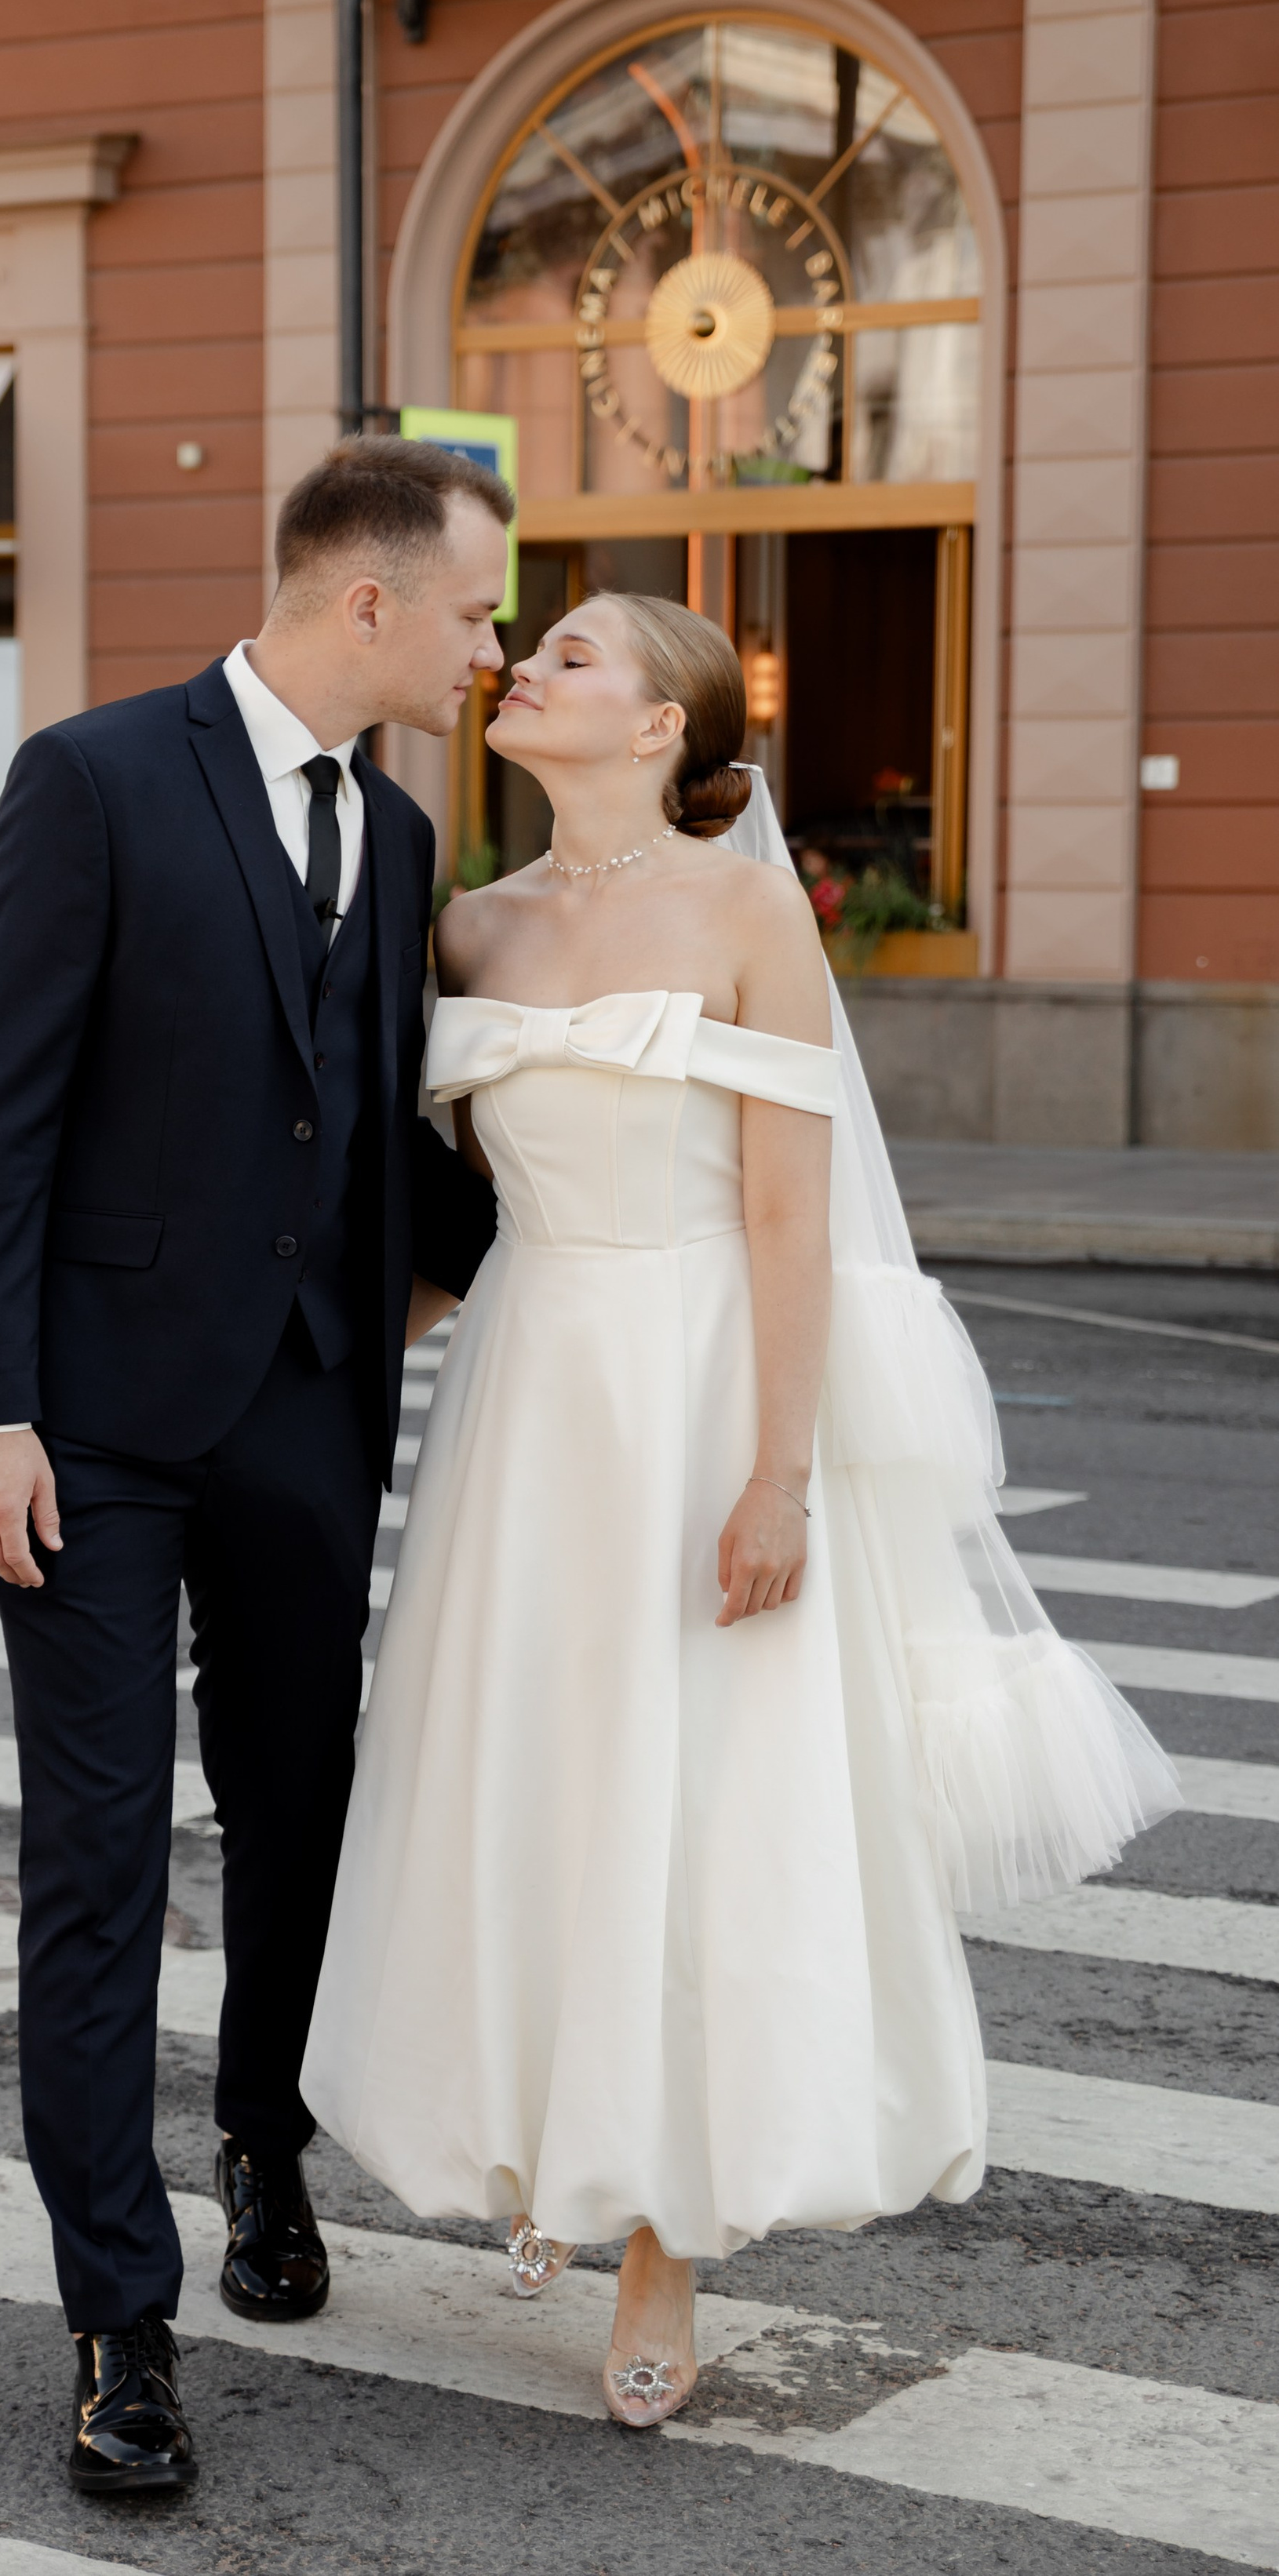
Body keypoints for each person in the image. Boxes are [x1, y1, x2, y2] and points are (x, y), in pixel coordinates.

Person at [303, 590, 1181, 2428]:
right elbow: (448, 1211)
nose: (524, 666)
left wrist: (777, 1473)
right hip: (526, 1396)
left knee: (690, 1799)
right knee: (531, 1776)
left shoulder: (746, 910)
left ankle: (661, 2236)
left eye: (572, 654)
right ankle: (546, 2133)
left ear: (656, 725)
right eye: (526, 644)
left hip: (702, 1385)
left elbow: (790, 1211)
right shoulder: (466, 920)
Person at [0, 435, 507, 2494]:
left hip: (306, 1406)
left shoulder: (405, 833)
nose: (488, 646)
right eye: (473, 610)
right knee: (95, 1861)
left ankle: (264, 2145)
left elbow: (376, 1113)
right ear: (369, 600)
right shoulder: (92, 779)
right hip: (86, 1420)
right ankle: (119, 2318)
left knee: (298, 1813)